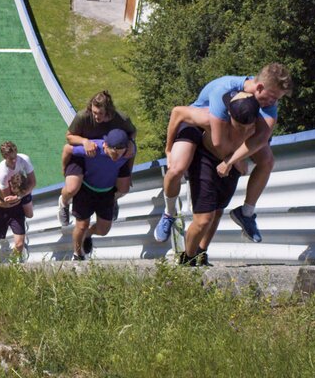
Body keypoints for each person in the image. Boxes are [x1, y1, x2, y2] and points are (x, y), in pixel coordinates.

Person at [154, 63, 293, 244]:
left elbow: (261, 138)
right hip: (199, 123)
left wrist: (233, 159)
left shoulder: (268, 100)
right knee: (176, 168)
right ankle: (169, 212)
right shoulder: (223, 91)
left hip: (234, 127)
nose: (273, 103)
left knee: (267, 161)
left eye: (277, 99)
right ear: (259, 87)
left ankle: (246, 213)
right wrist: (169, 149)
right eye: (273, 97)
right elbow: (218, 142)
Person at [178, 92, 261, 266]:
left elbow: (259, 148)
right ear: (230, 115)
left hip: (232, 165)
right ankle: (187, 259)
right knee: (203, 219)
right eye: (240, 127)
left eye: (249, 127)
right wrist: (169, 149)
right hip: (205, 160)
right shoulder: (211, 117)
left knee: (217, 212)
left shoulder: (260, 123)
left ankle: (201, 253)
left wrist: (233, 160)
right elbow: (178, 112)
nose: (245, 131)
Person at [58, 91, 136, 227]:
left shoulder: (121, 118)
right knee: (72, 188)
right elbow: (69, 137)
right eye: (94, 112)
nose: (96, 116)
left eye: (100, 113)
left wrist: (130, 141)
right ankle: (63, 203)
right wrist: (84, 141)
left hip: (112, 153)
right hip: (85, 153)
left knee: (124, 188)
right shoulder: (83, 116)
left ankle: (112, 200)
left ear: (109, 111)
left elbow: (133, 132)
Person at [69, 129, 135, 260]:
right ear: (106, 145)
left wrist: (129, 172)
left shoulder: (128, 151)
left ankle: (88, 234)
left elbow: (132, 150)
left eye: (120, 154)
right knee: (82, 225)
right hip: (86, 189)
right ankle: (77, 254)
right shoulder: (95, 149)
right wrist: (65, 170)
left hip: (107, 192)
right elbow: (67, 149)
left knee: (103, 230)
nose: (116, 157)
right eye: (113, 153)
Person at [0, 173, 34, 261]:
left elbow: (30, 214)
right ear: (10, 185)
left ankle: (13, 262)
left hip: (16, 213)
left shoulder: (24, 190)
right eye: (15, 192)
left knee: (19, 244)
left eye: (19, 193)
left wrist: (21, 198)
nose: (16, 194)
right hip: (0, 212)